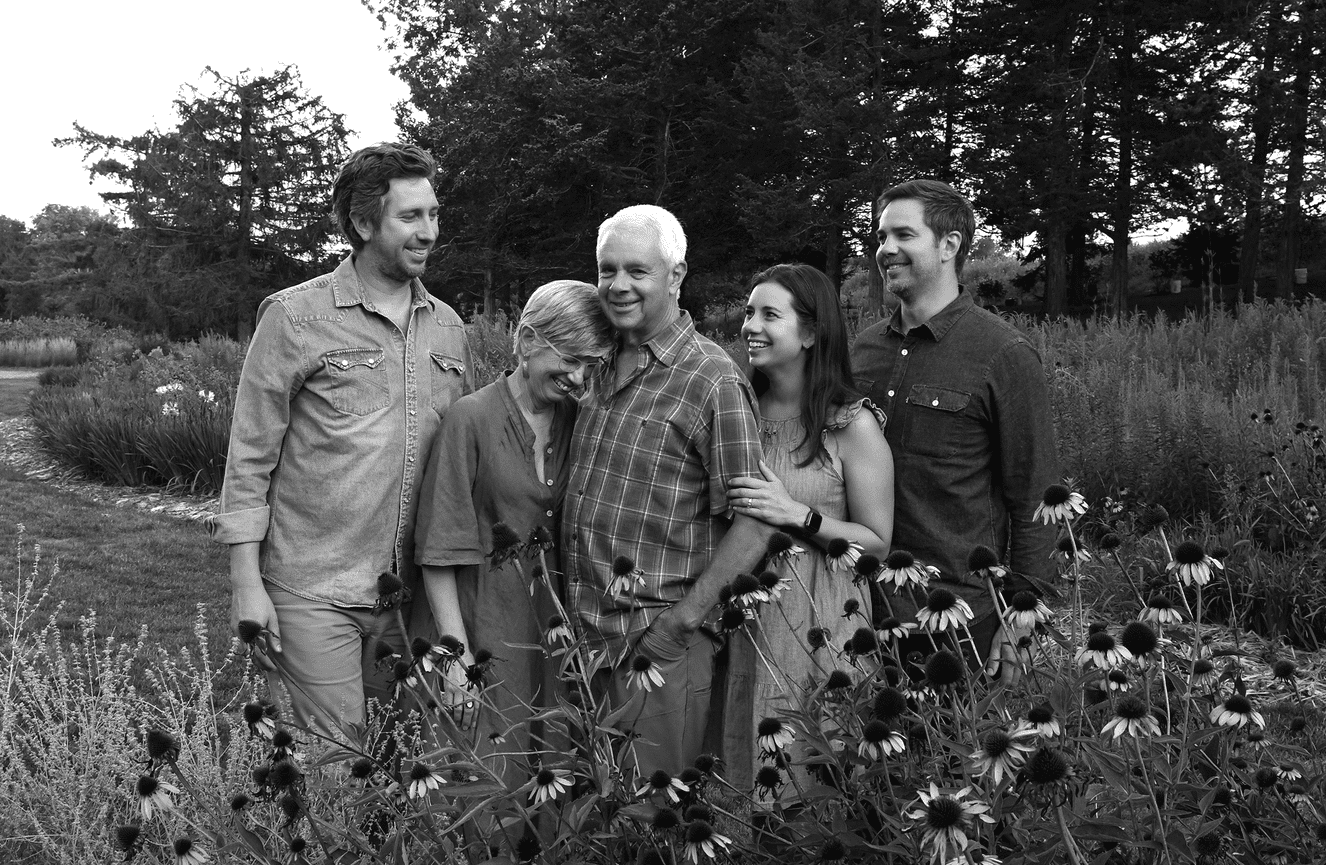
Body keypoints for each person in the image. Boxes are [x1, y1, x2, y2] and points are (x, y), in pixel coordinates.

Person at [207, 143, 472, 739]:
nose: (429, 231)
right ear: (361, 223)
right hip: (311, 591)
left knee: (398, 767)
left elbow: (457, 466)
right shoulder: (295, 318)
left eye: (433, 213)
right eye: (410, 217)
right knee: (332, 774)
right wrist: (246, 585)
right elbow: (249, 457)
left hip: (407, 602)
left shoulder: (450, 328)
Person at [563, 204, 773, 775]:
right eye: (607, 271)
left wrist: (680, 624)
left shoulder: (712, 380)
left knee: (652, 821)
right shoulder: (594, 363)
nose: (618, 285)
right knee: (587, 819)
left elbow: (754, 523)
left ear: (676, 276)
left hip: (653, 647)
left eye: (638, 271)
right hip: (579, 643)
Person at [849, 178, 1059, 672]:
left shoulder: (1003, 354)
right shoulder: (863, 351)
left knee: (954, 749)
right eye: (881, 237)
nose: (886, 250)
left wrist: (1023, 617)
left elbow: (1036, 495)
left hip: (960, 619)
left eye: (903, 235)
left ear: (949, 245)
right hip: (860, 610)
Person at [413, 279, 613, 786]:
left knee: (554, 782)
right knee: (486, 784)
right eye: (569, 358)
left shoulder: (579, 421)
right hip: (486, 631)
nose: (578, 377)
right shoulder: (470, 419)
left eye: (592, 365)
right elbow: (438, 548)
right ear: (526, 340)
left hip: (558, 634)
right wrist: (455, 661)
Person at [721, 263, 895, 789]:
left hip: (822, 625)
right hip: (743, 622)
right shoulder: (735, 412)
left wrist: (798, 514)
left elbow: (879, 543)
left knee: (815, 782)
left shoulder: (849, 424)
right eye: (749, 312)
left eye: (769, 315)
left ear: (812, 332)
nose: (751, 325)